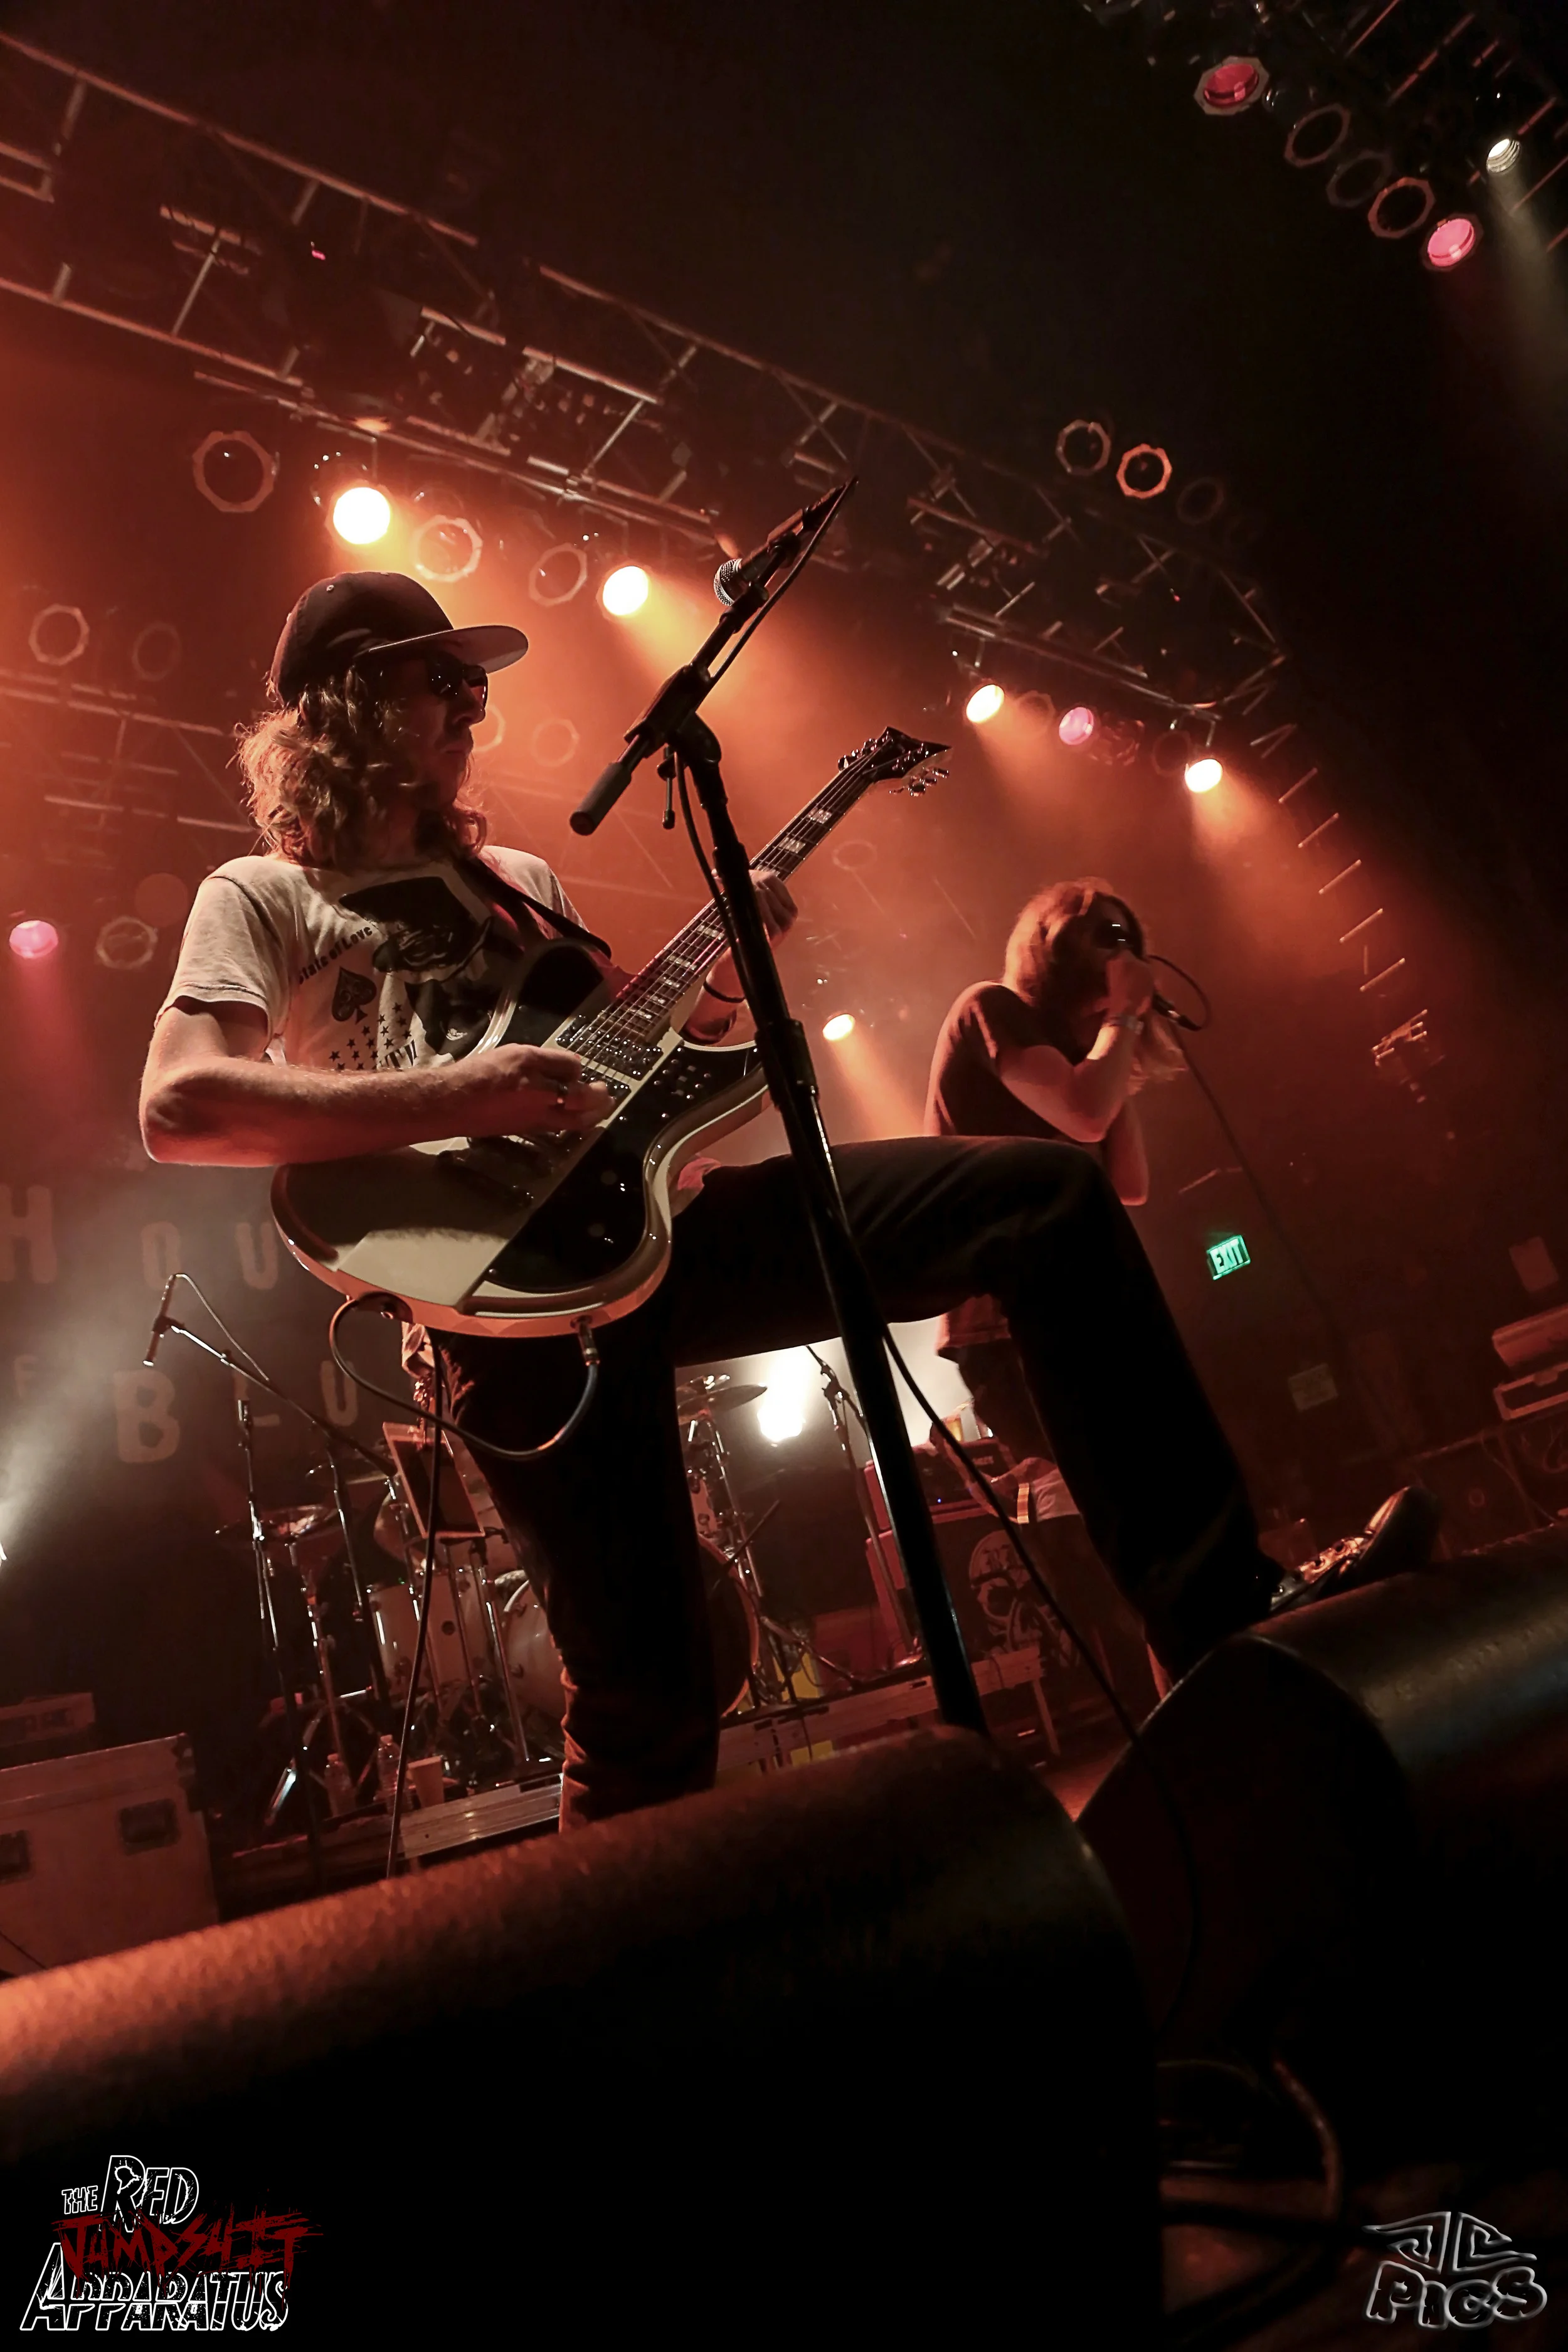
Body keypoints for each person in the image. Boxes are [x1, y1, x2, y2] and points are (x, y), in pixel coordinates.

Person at [140, 573, 1435, 1829]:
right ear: (351, 702)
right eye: (444, 680)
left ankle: (1220, 1621)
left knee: (1041, 1196)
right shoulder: (263, 898)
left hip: (657, 1228)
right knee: (652, 1699)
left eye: (474, 685)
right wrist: (462, 1094)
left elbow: (626, 1067)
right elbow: (182, 1104)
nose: (475, 709)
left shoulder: (518, 880)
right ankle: (611, 1963)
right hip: (499, 1305)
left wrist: (716, 979)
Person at [924, 878, 1180, 1478]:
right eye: (1107, 934)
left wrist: (1109, 1043)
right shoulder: (989, 1007)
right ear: (1056, 945)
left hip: (1077, 1299)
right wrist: (1122, 1016)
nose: (1123, 951)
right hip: (1007, 1317)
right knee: (1093, 1488)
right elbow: (1085, 1115)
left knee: (1148, 1479)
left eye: (1129, 939)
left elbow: (1129, 1184)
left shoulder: (1077, 1061)